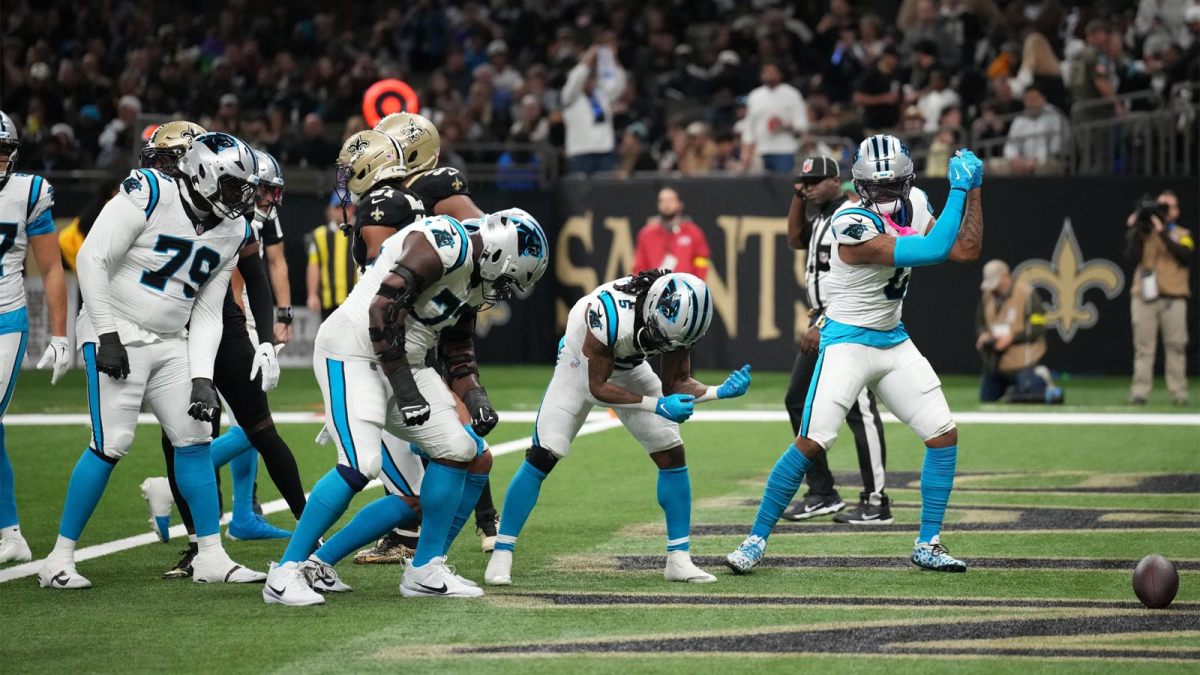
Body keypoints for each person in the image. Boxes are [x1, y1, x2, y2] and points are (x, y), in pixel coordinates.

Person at [262, 131, 548, 605]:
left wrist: (474, 396)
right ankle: (287, 571)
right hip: (352, 350)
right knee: (361, 464)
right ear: (499, 254)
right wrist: (409, 394)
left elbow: (457, 347)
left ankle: (425, 568)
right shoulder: (443, 243)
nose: (505, 290)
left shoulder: (478, 276)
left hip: (404, 360)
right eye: (510, 277)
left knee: (461, 448)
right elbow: (380, 313)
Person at [726, 136, 984, 575]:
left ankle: (929, 542)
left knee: (942, 433)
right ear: (859, 185)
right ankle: (754, 539)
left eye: (893, 186)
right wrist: (960, 190)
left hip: (892, 338)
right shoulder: (850, 222)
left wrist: (975, 189)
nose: (884, 196)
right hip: (845, 343)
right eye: (876, 188)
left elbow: (966, 248)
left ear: (907, 181)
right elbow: (936, 250)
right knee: (811, 441)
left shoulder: (916, 202)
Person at [39, 132, 267, 589]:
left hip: (171, 338)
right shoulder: (149, 192)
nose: (241, 198)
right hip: (116, 327)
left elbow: (206, 310)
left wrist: (203, 376)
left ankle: (211, 555)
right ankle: (58, 559)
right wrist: (105, 334)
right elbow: (91, 259)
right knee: (112, 441)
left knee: (195, 437)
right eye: (232, 186)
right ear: (202, 175)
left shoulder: (233, 228)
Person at [484, 271, 753, 587]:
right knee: (544, 453)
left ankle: (679, 559)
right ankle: (502, 551)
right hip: (580, 363)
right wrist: (657, 405)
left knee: (671, 453)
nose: (663, 345)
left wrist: (721, 391)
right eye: (660, 336)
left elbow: (676, 383)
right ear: (652, 307)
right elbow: (595, 388)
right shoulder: (610, 313)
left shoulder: (679, 323)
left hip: (628, 367)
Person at [368, 111, 502, 560]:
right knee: (439, 416)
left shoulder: (435, 183)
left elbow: (482, 229)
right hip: (412, 310)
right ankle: (432, 528)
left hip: (429, 312)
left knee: (450, 409)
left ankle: (479, 520)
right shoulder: (399, 194)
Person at [781, 156, 891, 525]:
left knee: (861, 412)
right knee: (797, 401)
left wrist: (823, 320)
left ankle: (876, 500)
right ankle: (822, 492)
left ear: (837, 180)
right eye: (804, 182)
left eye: (815, 181)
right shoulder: (822, 219)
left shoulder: (849, 218)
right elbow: (795, 238)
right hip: (823, 322)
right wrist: (799, 196)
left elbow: (851, 283)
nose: (809, 186)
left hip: (847, 325)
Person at [0, 110, 71, 564]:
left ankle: (10, 534)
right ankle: (11, 534)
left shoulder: (27, 192)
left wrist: (60, 334)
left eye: (3, 152)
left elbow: (49, 268)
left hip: (5, 319)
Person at [1125, 191, 1193, 405]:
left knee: (1176, 346)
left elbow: (1185, 255)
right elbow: (1130, 258)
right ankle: (1140, 392)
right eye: (1161, 206)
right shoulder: (1143, 232)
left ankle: (1179, 392)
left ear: (1177, 211)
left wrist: (1162, 232)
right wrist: (1135, 231)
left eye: (1169, 207)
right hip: (1144, 297)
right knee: (1144, 347)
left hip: (1173, 296)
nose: (1164, 210)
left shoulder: (1183, 233)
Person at [975, 259, 1060, 403]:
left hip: (1022, 362)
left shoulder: (1027, 294)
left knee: (1027, 394)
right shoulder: (987, 296)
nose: (994, 287)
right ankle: (1011, 390)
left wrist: (1013, 337)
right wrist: (983, 335)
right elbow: (981, 322)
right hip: (996, 363)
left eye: (997, 281)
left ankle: (1041, 376)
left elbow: (1039, 325)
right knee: (986, 398)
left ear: (1006, 276)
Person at [561, 45, 625, 175]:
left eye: (591, 77)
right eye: (586, 77)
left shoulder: (602, 95)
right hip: (580, 152)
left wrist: (611, 59)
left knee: (604, 192)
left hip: (605, 150)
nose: (588, 80)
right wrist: (590, 56)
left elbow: (618, 85)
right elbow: (576, 78)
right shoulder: (570, 96)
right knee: (581, 193)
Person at [740, 63, 808, 173]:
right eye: (766, 72)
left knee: (782, 186)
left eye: (772, 72)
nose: (769, 75)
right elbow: (749, 128)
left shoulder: (792, 94)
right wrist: (746, 153)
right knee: (759, 188)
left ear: (780, 74)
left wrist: (784, 125)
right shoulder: (755, 95)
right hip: (760, 150)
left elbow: (802, 124)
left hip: (784, 150)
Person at [632, 188, 711, 280]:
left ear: (680, 204)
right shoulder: (646, 234)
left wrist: (696, 283)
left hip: (686, 288)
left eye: (670, 200)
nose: (666, 204)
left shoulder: (693, 232)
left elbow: (702, 260)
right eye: (662, 201)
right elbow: (639, 265)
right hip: (655, 289)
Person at [306, 193, 358, 321]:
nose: (342, 211)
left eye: (346, 207)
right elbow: (314, 265)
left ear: (353, 208)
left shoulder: (361, 233)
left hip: (356, 300)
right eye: (338, 207)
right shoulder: (319, 235)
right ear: (331, 210)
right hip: (328, 301)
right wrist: (312, 295)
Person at [1002, 86, 1068, 175]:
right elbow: (1010, 145)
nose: (1030, 102)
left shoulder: (1055, 116)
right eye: (1027, 99)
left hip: (1049, 160)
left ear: (1043, 98)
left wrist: (1036, 160)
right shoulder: (1020, 119)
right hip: (1022, 161)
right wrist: (1014, 159)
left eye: (1034, 98)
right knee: (988, 166)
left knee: (1043, 168)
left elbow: (1057, 145)